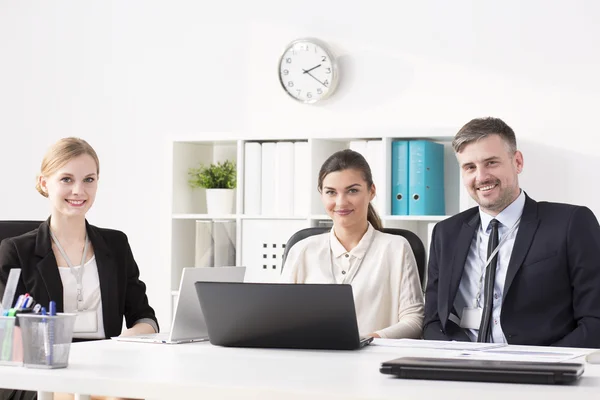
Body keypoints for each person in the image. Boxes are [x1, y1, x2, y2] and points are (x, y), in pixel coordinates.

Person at [0, 138, 158, 399]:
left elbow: (145, 319)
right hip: (41, 377)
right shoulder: (16, 251)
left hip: (105, 371)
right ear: (44, 183)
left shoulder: (116, 245)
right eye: (66, 179)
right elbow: (14, 336)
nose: (78, 190)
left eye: (89, 179)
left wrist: (118, 345)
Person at [423, 117, 600, 347]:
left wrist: (540, 366)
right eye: (470, 167)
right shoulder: (445, 233)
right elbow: (433, 321)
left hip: (541, 371)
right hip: (464, 369)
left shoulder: (571, 223)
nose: (481, 176)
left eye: (491, 163)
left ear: (517, 162)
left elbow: (595, 321)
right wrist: (458, 358)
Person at [281, 149, 424, 339]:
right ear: (321, 194)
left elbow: (414, 320)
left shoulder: (396, 248)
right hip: (313, 360)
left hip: (373, 361)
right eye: (331, 192)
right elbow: (280, 317)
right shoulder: (302, 250)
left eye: (352, 191)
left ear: (371, 191)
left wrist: (366, 340)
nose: (341, 202)